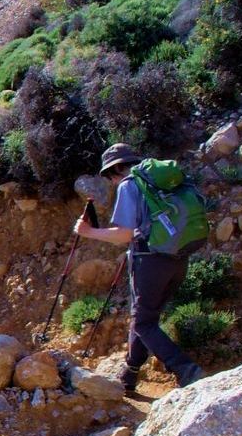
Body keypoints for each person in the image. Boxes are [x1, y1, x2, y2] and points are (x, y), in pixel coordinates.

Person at [74, 143, 204, 392]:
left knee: (143, 323)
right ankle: (130, 374)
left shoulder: (129, 184)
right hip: (178, 258)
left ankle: (187, 369)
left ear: (115, 170)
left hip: (151, 262)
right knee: (145, 318)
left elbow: (122, 233)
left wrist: (88, 231)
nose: (112, 182)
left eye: (110, 176)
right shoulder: (158, 181)